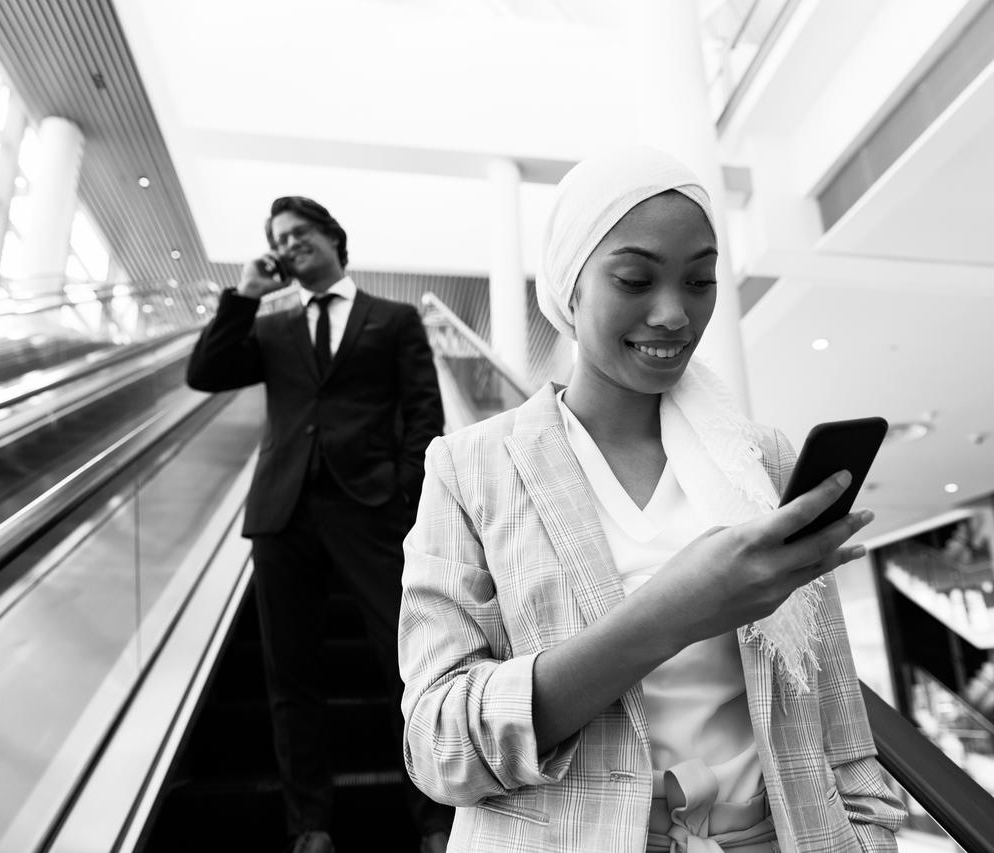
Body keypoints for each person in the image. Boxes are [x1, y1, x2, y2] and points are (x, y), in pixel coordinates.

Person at [398, 149, 906, 852]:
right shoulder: (471, 468)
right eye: (635, 278)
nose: (674, 314)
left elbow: (840, 731)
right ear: (569, 286)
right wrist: (666, 616)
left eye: (699, 281)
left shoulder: (761, 463)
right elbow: (437, 744)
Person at [187, 196, 453, 853]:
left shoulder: (392, 319)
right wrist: (245, 294)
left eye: (300, 232)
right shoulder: (271, 326)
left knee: (407, 662)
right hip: (282, 514)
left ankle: (435, 819)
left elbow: (425, 414)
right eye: (279, 238)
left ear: (334, 237)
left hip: (369, 510)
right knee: (290, 675)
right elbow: (205, 372)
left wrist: (402, 494)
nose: (289, 243)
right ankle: (310, 825)